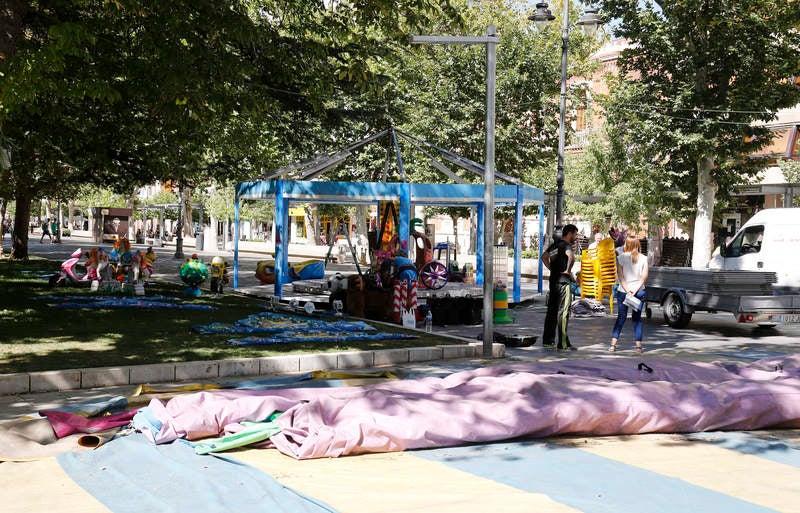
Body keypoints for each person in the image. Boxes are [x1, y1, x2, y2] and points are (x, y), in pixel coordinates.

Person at [541, 224, 579, 350]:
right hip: (563, 282)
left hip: (553, 282)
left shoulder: (555, 246)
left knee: (551, 311)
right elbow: (571, 257)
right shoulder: (567, 246)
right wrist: (568, 270)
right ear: (570, 233)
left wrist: (552, 269)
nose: (576, 237)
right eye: (575, 234)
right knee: (563, 313)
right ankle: (562, 344)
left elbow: (544, 257)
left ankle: (547, 340)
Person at [609, 236, 649, 353]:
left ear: (626, 245)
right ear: (637, 245)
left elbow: (620, 277)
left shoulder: (621, 258)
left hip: (624, 292)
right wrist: (635, 290)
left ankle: (613, 345)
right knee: (637, 319)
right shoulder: (644, 258)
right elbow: (644, 277)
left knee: (621, 318)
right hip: (639, 291)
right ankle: (638, 347)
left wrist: (628, 290)